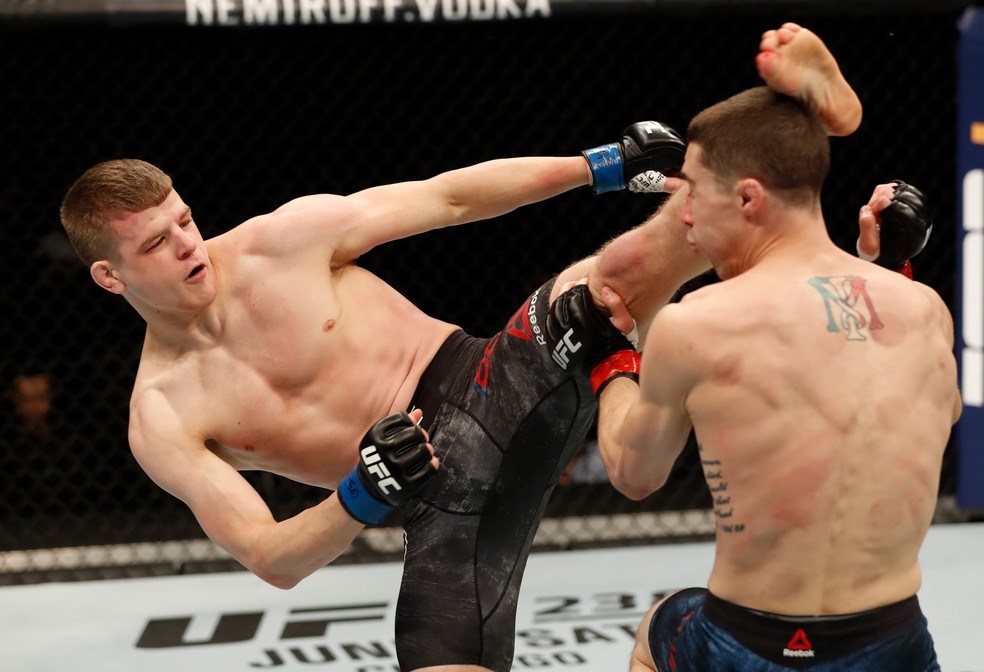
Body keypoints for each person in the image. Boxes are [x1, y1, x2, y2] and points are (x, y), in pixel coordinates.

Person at [59, 101, 712, 670]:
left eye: (184, 219)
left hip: (486, 386)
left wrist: (598, 165)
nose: (185, 244)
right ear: (109, 278)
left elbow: (447, 197)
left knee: (606, 281)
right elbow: (270, 557)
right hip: (437, 507)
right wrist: (362, 494)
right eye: (154, 244)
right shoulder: (161, 415)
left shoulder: (277, 244)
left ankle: (744, 189)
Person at [559, 23, 960, 672]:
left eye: (694, 188)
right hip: (894, 645)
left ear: (747, 198)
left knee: (662, 622)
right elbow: (933, 416)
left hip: (749, 647)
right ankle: (816, 118)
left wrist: (613, 359)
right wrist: (880, 271)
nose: (683, 212)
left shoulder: (699, 323)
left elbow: (635, 474)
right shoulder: (922, 311)